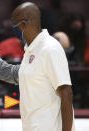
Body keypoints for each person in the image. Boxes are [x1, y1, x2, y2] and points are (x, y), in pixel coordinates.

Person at [11, 2, 75, 131]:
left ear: (23, 24)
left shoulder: (50, 48)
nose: (13, 29)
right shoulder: (30, 49)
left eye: (14, 25)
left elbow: (66, 92)